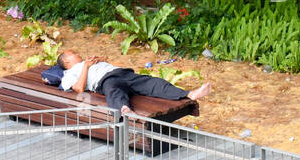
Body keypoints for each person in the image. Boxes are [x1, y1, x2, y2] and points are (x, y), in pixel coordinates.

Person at [56, 50, 212, 118]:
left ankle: (189, 94)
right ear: (67, 61)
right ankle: (124, 110)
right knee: (114, 92)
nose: (78, 54)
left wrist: (101, 60)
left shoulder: (86, 62)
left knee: (153, 82)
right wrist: (86, 66)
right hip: (106, 81)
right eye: (74, 54)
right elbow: (78, 88)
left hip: (123, 74)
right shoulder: (70, 73)